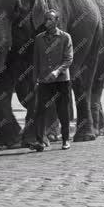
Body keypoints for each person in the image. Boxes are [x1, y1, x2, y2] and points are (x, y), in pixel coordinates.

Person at [29, 10, 73, 153]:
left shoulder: (65, 38)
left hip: (61, 81)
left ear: (56, 21)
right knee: (40, 111)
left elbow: (68, 59)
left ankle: (66, 139)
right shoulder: (39, 39)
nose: (46, 22)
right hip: (44, 81)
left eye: (50, 19)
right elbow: (35, 61)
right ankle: (40, 141)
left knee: (63, 111)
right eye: (45, 19)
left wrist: (57, 71)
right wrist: (35, 79)